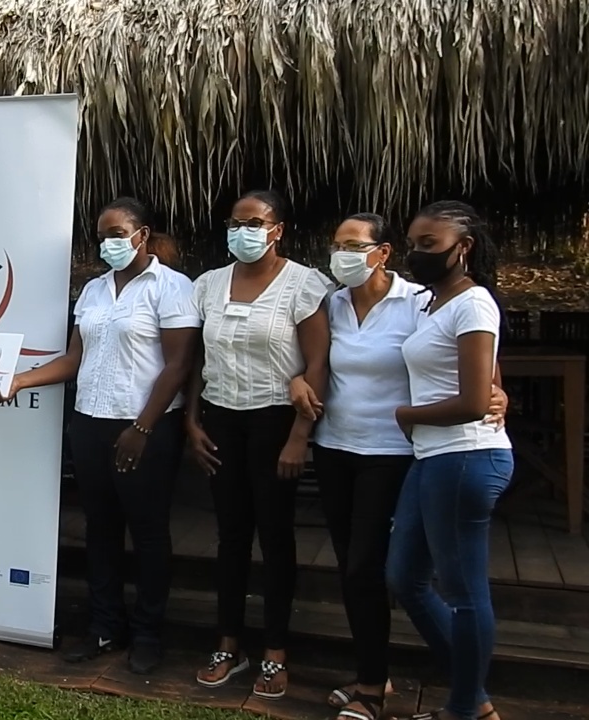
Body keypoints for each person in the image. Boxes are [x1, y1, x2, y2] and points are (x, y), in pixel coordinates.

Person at [286, 214, 507, 720]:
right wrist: (299, 381)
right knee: (352, 566)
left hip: (395, 452)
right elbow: (313, 359)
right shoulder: (330, 302)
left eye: (353, 245)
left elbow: (478, 363)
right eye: (335, 244)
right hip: (336, 445)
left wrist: (497, 392)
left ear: (381, 252)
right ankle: (377, 674)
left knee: (371, 565)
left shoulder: (420, 301)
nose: (341, 254)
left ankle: (376, 687)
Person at [0, 197, 199, 675]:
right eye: (103, 235)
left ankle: (147, 633)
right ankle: (105, 626)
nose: (109, 242)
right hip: (89, 421)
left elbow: (179, 365)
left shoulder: (172, 287)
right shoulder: (95, 291)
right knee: (100, 530)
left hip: (146, 427)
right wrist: (20, 379)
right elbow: (74, 358)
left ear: (142, 235)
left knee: (146, 533)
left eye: (118, 233)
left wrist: (142, 427)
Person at [186, 190, 331, 698]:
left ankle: (274, 650)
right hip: (221, 419)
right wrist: (192, 420)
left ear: (277, 229)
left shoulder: (304, 284)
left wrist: (299, 437)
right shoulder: (207, 285)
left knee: (274, 536)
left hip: (276, 422)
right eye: (235, 222)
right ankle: (229, 643)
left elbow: (317, 366)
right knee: (229, 535)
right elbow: (195, 363)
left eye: (255, 222)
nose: (243, 230)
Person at [385, 201, 512, 720]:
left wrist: (406, 412)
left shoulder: (474, 304)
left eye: (430, 244)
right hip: (433, 456)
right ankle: (471, 687)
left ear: (464, 248)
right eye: (414, 243)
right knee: (405, 578)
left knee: (462, 591)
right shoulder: (433, 303)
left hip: (465, 457)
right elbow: (495, 385)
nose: (418, 253)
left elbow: (477, 400)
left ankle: (465, 707)